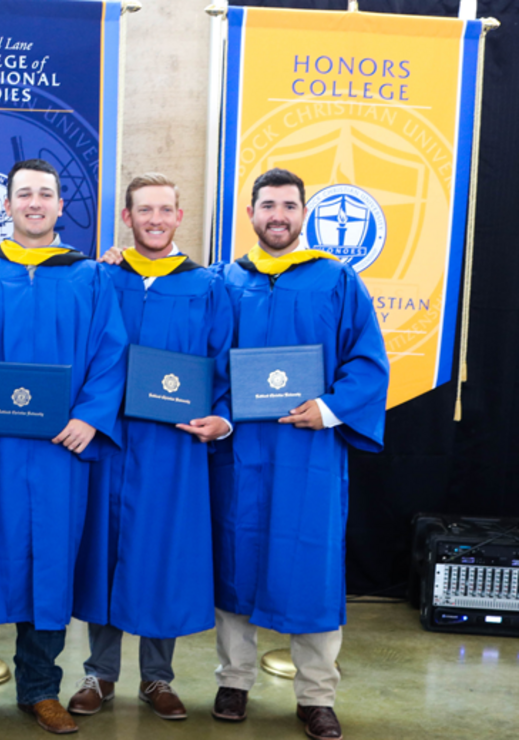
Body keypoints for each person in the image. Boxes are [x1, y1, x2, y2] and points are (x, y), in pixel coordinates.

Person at [0, 159, 127, 735]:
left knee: (51, 565)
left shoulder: (89, 277)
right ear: (8, 206)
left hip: (58, 451)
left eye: (46, 193)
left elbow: (110, 355)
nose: (35, 203)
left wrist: (92, 417)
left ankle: (41, 689)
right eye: (24, 194)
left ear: (60, 206)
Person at [209, 168, 388, 740]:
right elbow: (204, 361)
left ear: (304, 213)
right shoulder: (226, 281)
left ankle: (315, 695)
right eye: (268, 205)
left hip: (309, 448)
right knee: (237, 562)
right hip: (241, 451)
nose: (278, 215)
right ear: (251, 214)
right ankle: (234, 681)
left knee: (311, 565)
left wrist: (331, 409)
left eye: (289, 205)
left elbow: (366, 361)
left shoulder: (336, 280)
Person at [69, 174, 233, 722]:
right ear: (127, 217)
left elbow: (224, 365)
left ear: (180, 216)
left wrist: (222, 419)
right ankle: (99, 674)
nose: (155, 220)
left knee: (162, 552)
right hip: (111, 438)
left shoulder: (206, 286)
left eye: (165, 210)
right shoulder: (103, 277)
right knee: (105, 550)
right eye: (145, 211)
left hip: (172, 443)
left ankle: (158, 679)